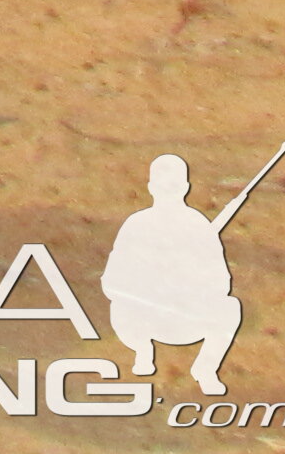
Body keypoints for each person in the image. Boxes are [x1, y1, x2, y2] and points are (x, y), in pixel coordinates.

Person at [102, 153, 247, 397]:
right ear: (151, 188)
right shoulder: (136, 224)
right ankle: (142, 351)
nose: (168, 191)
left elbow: (221, 283)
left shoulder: (198, 226)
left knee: (230, 308)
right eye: (162, 185)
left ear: (185, 188)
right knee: (119, 306)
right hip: (143, 319)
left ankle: (205, 368)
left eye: (173, 185)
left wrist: (189, 281)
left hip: (187, 317)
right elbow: (111, 282)